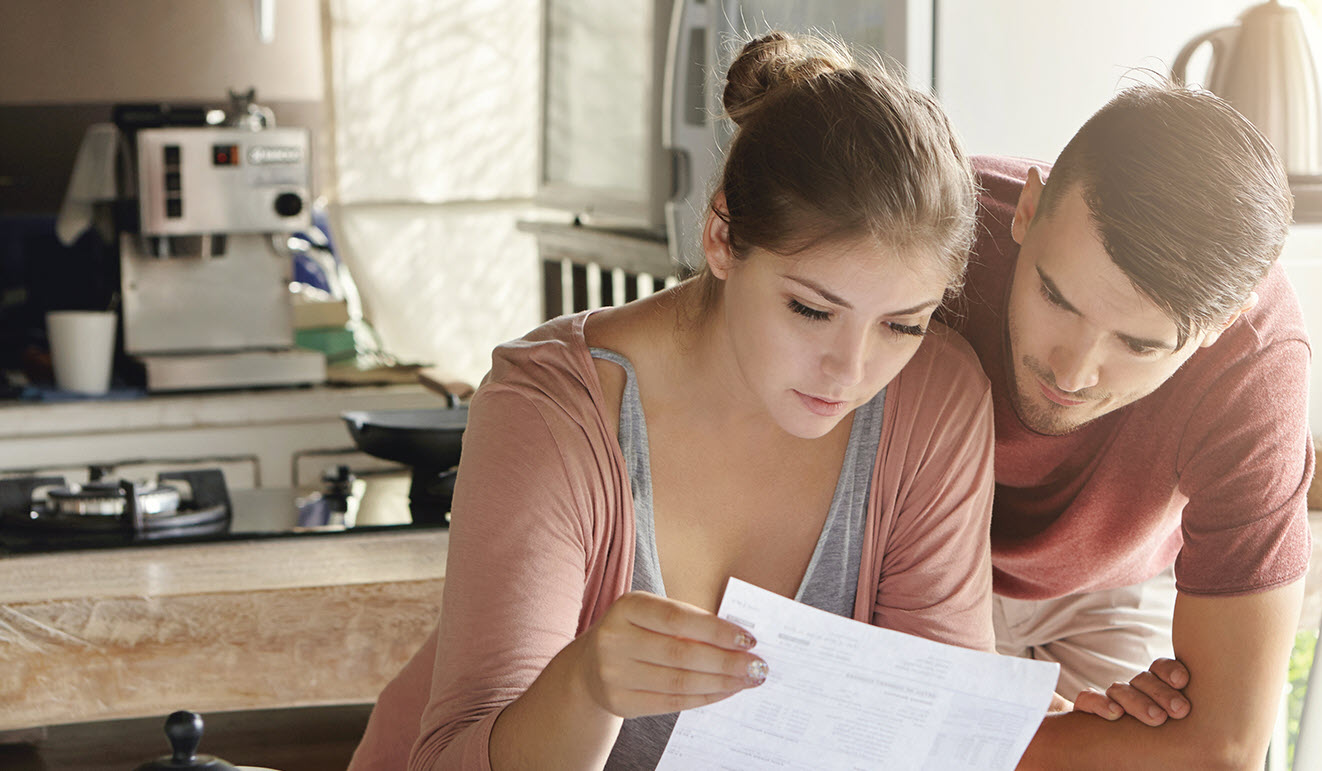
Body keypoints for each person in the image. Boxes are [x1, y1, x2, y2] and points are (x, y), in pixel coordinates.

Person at [347, 31, 1003, 770]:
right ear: (721, 236)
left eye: (901, 324)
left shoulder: (935, 400)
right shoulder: (552, 408)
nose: (850, 371)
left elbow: (936, 736)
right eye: (812, 311)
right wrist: (587, 687)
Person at [941, 86, 1313, 768]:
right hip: (916, 563)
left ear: (1220, 325)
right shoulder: (934, 227)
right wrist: (1003, 722)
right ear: (1026, 209)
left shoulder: (1256, 358)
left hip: (1110, 588)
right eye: (1056, 296)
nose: (1073, 371)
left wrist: (983, 730)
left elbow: (1221, 744)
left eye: (1138, 345)